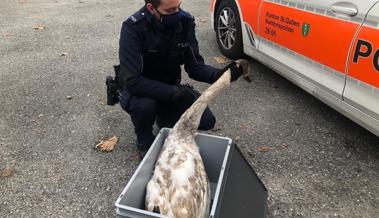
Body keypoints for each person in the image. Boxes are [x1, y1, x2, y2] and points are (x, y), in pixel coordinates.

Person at [118, 0, 244, 156]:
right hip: (141, 92)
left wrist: (220, 75)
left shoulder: (185, 21)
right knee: (145, 106)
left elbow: (194, 67)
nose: (177, 13)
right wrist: (173, 93)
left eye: (178, 6)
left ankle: (164, 117)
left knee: (206, 121)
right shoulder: (133, 28)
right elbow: (133, 81)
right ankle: (144, 138)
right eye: (170, 10)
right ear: (151, 8)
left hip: (170, 86)